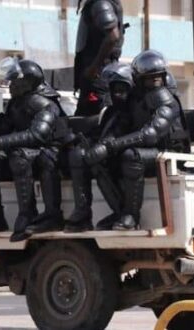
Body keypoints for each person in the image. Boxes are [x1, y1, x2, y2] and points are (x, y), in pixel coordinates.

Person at [82, 50, 189, 230]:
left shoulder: (165, 100)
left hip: (169, 151)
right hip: (149, 150)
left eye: (157, 78)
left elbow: (151, 134)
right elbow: (121, 125)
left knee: (132, 156)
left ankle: (131, 216)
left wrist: (112, 146)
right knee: (98, 160)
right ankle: (120, 212)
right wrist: (103, 145)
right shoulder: (136, 98)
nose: (155, 83)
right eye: (149, 79)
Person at [0, 58, 67, 242]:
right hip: (28, 156)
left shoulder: (47, 104)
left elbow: (37, 135)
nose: (10, 85)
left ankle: (28, 214)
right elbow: (4, 126)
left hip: (50, 155)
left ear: (27, 82)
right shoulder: (17, 103)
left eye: (15, 81)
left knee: (19, 155)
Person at [66, 62, 134, 232]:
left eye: (122, 90)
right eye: (114, 90)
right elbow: (100, 131)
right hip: (111, 150)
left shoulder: (134, 110)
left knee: (99, 162)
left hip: (124, 153)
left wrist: (105, 146)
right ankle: (82, 212)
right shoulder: (111, 111)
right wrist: (78, 139)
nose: (117, 94)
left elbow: (125, 132)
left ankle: (122, 211)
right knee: (77, 154)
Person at [74, 0, 125, 116]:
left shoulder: (100, 4)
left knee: (94, 124)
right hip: (95, 78)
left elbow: (113, 36)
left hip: (98, 79)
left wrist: (94, 68)